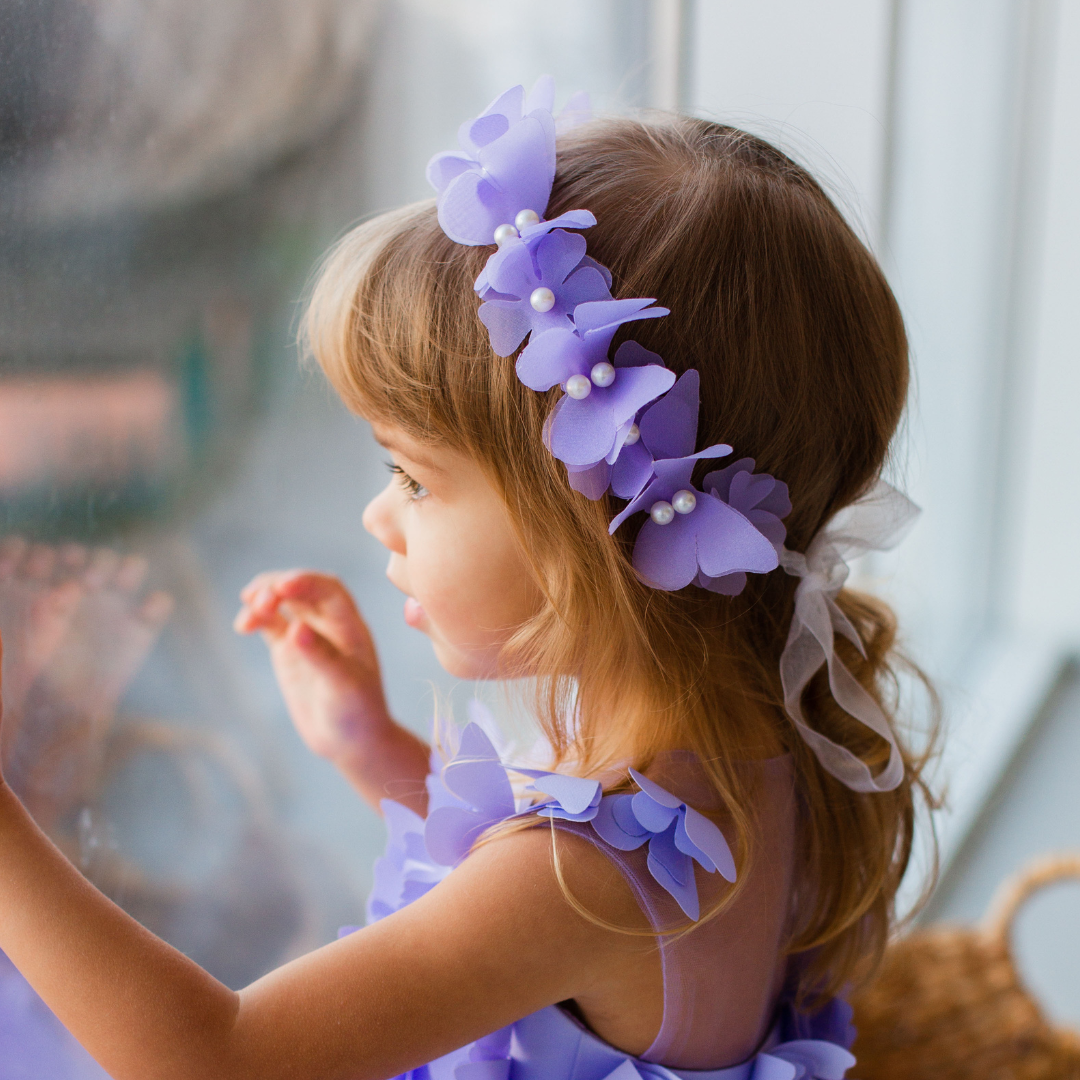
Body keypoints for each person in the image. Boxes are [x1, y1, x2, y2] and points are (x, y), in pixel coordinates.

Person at [0, 79, 933, 1080]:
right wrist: (378, 754)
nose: (379, 514)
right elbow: (533, 939)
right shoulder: (741, 740)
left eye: (413, 476)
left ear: (587, 530)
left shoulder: (584, 880)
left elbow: (215, 1059)